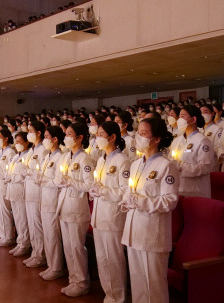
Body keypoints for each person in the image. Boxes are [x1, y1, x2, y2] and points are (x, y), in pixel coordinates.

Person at [119, 117, 178, 303]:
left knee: (153, 283)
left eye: (144, 134)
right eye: (139, 133)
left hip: (152, 232)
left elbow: (170, 201)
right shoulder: (136, 165)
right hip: (133, 230)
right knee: (137, 279)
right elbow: (131, 193)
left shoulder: (166, 166)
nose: (139, 138)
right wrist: (127, 200)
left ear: (156, 139)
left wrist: (140, 202)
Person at [88, 121, 130, 302]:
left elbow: (124, 192)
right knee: (102, 258)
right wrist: (94, 190)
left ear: (113, 137)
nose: (98, 138)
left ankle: (118, 296)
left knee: (113, 259)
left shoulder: (123, 161)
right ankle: (109, 294)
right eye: (96, 135)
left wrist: (103, 191)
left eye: (101, 135)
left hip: (113, 216)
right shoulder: (101, 160)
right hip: (99, 214)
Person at [54, 122, 94, 297]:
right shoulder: (65, 157)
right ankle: (73, 279)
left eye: (70, 134)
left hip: (77, 207)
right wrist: (61, 181)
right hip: (64, 205)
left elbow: (89, 185)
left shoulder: (85, 159)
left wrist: (71, 182)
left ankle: (82, 282)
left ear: (80, 138)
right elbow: (57, 178)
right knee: (68, 246)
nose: (67, 137)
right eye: (66, 134)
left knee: (77, 247)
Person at [35, 126, 65, 280]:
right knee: (47, 233)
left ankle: (56, 267)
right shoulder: (48, 156)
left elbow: (59, 181)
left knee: (53, 234)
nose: (45, 140)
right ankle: (50, 264)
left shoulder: (60, 157)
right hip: (44, 198)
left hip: (53, 200)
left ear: (55, 139)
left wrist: (45, 180)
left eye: (47, 137)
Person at [168, 105, 214, 198]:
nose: (180, 119)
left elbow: (205, 168)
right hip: (178, 188)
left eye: (183, 116)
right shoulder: (177, 140)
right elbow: (170, 160)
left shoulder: (202, 141)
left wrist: (180, 165)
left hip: (195, 190)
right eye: (179, 116)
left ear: (193, 119)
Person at [23, 122, 49, 267]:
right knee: (32, 224)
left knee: (37, 225)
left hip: (37, 191)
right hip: (28, 190)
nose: (29, 134)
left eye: (31, 131)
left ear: (38, 133)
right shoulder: (32, 150)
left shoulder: (43, 150)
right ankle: (35, 252)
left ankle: (41, 255)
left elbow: (41, 173)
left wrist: (30, 172)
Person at [6, 132, 32, 256]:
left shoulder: (28, 156)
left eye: (20, 141)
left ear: (27, 142)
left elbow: (24, 175)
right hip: (13, 189)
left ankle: (25, 244)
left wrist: (13, 177)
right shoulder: (16, 156)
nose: (17, 144)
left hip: (21, 189)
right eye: (16, 141)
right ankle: (20, 241)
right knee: (17, 217)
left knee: (22, 218)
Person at [0, 128, 16, 246]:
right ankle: (3, 235)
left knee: (5, 211)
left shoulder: (10, 152)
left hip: (4, 184)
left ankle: (9, 236)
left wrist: (0, 173)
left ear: (6, 138)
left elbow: (10, 170)